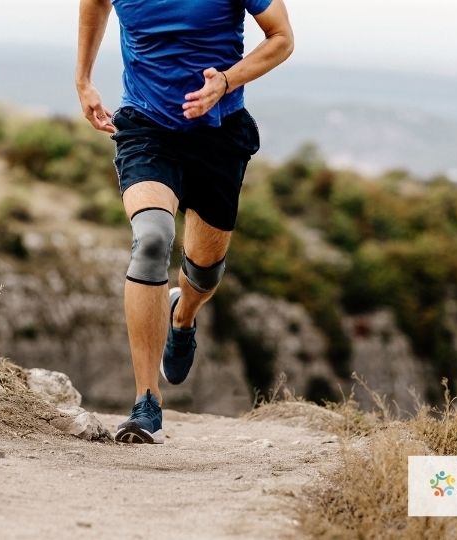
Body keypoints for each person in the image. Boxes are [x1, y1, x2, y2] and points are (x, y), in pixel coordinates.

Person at [76, 0, 294, 444]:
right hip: (146, 126)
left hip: (220, 130)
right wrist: (83, 80)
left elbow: (282, 38)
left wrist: (227, 81)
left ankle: (183, 315)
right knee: (153, 240)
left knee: (204, 270)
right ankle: (146, 402)